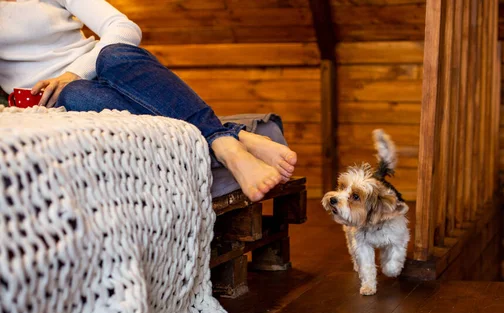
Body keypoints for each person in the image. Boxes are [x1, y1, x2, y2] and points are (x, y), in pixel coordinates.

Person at [0, 0, 297, 202]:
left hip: (96, 69)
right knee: (75, 94)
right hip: (57, 100)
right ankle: (233, 135)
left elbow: (124, 27)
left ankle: (225, 144)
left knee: (114, 54)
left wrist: (74, 72)